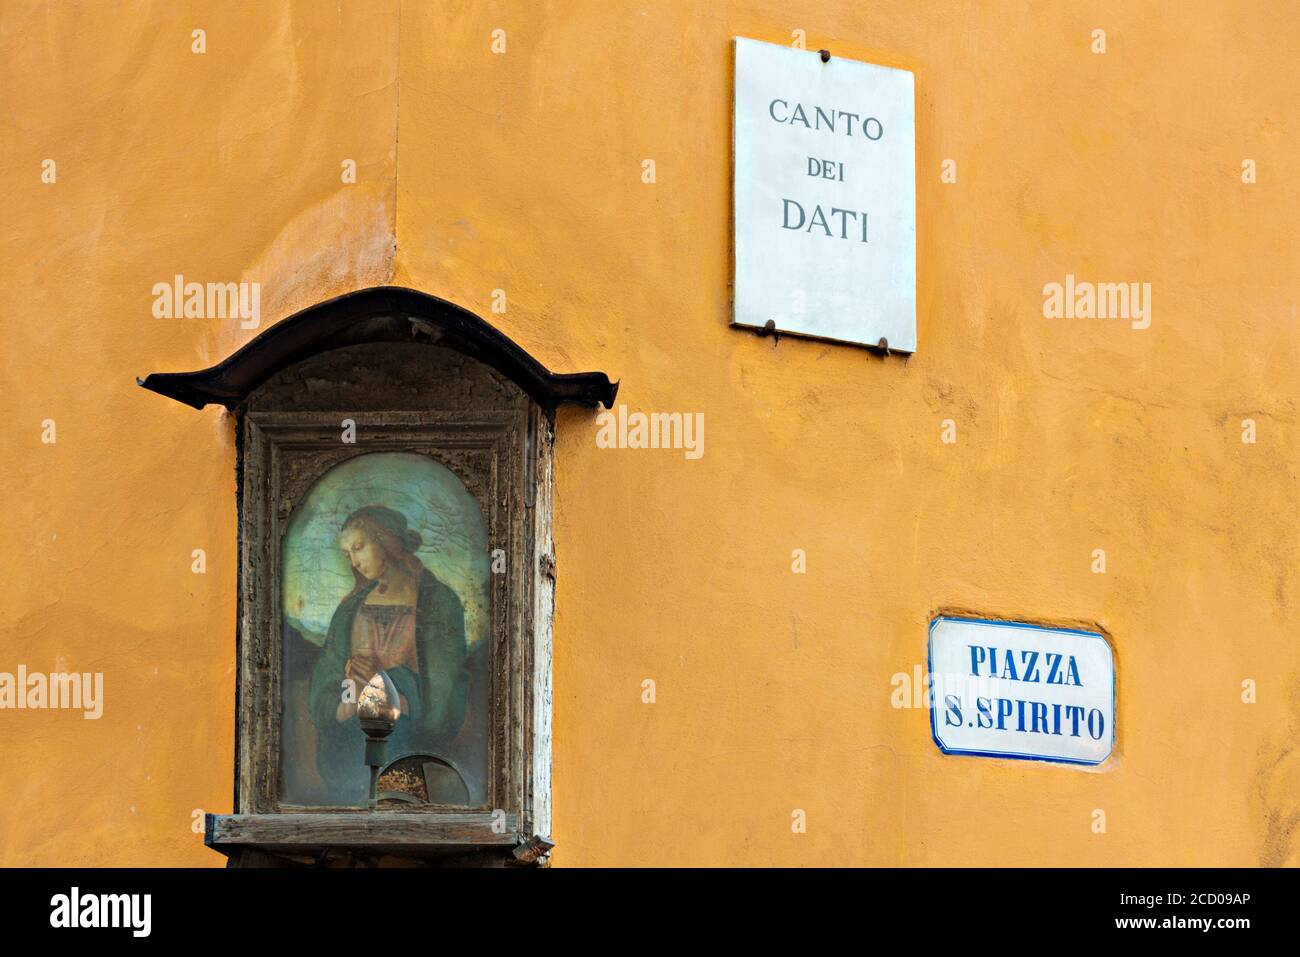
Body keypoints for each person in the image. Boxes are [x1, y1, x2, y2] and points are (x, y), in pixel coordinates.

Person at [307, 505, 469, 805]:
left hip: (407, 742)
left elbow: (446, 686)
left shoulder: (438, 603)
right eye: (347, 554)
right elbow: (328, 676)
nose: (354, 561)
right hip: (353, 739)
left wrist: (390, 688)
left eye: (359, 547)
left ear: (386, 541)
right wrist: (348, 699)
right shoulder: (349, 609)